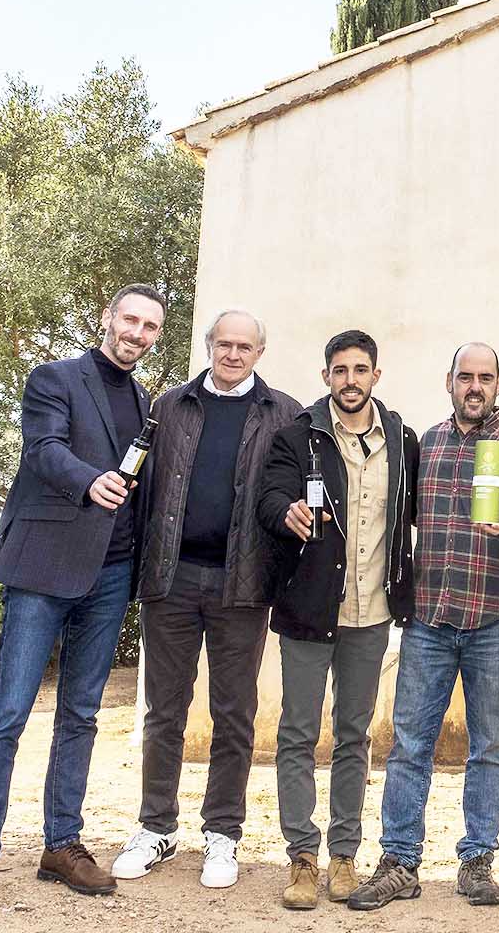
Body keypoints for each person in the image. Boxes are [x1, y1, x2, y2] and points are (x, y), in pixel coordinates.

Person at [0, 284, 167, 913]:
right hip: (43, 568)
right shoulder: (54, 379)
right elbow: (43, 451)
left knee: (81, 716)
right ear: (108, 319)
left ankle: (61, 845)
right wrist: (88, 481)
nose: (138, 332)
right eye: (130, 319)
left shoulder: (146, 401)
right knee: (8, 716)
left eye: (150, 326)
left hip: (112, 575)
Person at [348, 343, 499, 910]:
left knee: (488, 746)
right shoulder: (426, 445)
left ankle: (477, 860)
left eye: (485, 378)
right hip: (431, 621)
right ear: (449, 381)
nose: (474, 387)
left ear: (498, 384)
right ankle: (399, 861)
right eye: (466, 377)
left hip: (497, 621)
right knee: (410, 744)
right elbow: (396, 515)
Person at [109, 310, 297, 890]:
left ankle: (222, 834)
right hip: (171, 580)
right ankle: (156, 828)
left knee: (233, 716)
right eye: (224, 344)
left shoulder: (283, 413)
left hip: (243, 587)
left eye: (244, 346)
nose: (233, 354)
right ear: (208, 346)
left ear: (259, 353)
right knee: (163, 711)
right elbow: (139, 489)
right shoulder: (169, 407)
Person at [256, 329, 418, 909]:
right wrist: (287, 510)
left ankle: (344, 856)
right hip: (307, 608)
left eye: (360, 369)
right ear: (326, 376)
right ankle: (302, 858)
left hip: (372, 614)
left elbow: (423, 510)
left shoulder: (403, 439)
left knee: (354, 736)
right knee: (297, 734)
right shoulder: (297, 436)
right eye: (340, 370)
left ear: (377, 374)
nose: (350, 380)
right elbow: (268, 498)